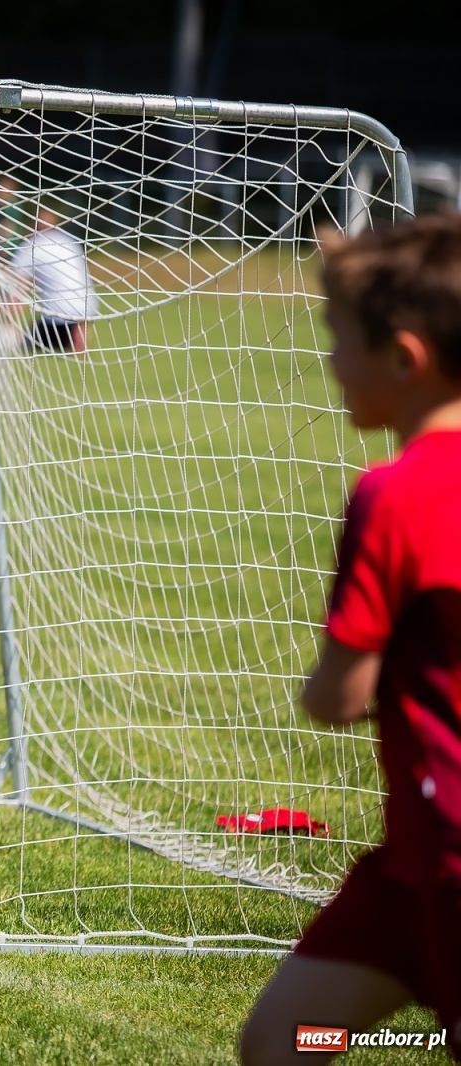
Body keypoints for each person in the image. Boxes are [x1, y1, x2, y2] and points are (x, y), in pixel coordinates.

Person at [238, 215, 461, 1065]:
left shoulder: (395, 496)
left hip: (453, 859)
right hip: (408, 864)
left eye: (339, 338)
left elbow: (340, 697)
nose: (328, 361)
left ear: (405, 359)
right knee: (286, 1038)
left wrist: (324, 683)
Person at [9, 206, 95, 353]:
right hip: (88, 306)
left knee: (25, 341)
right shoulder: (69, 241)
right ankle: (78, 336)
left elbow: (17, 290)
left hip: (57, 312)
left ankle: (70, 337)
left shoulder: (32, 246)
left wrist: (2, 319)